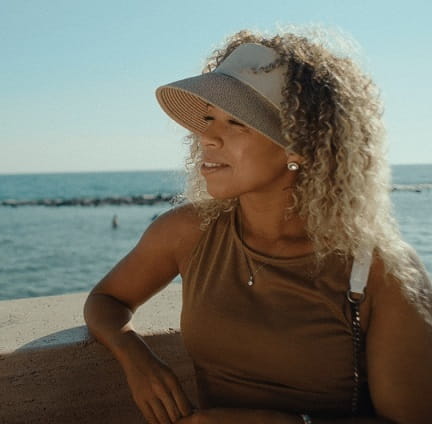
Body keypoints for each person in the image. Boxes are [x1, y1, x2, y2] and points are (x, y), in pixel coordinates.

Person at [84, 30, 432, 424]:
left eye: (236, 123)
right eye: (209, 117)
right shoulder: (187, 232)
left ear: (299, 146)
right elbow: (106, 301)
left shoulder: (380, 271)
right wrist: (135, 357)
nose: (206, 137)